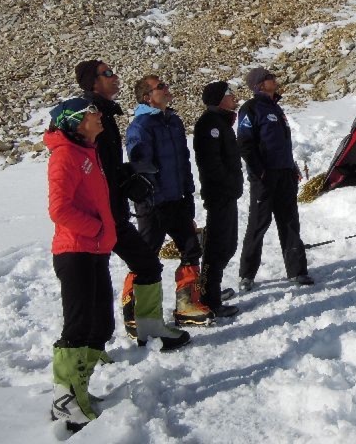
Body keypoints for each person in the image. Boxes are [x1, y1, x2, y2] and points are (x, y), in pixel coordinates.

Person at [75, 60, 189, 350]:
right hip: (99, 216)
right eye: (108, 73)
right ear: (93, 81)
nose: (115, 77)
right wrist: (131, 179)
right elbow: (87, 167)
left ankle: (149, 327)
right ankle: (88, 354)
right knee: (94, 289)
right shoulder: (88, 115)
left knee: (147, 263)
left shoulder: (106, 116)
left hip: (115, 211)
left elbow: (108, 166)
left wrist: (126, 176)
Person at [46, 98, 115, 431]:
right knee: (78, 326)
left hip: (94, 250)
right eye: (92, 112)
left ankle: (79, 391)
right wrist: (97, 229)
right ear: (75, 121)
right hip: (75, 251)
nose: (99, 115)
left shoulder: (87, 152)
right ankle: (64, 403)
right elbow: (59, 210)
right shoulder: (65, 156)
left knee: (98, 324)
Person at [126, 76, 214, 326]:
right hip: (153, 204)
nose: (167, 89)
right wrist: (152, 197)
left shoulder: (172, 121)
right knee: (145, 256)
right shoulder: (141, 126)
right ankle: (134, 310)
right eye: (160, 87)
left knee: (191, 248)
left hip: (176, 199)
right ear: (147, 97)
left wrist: (188, 193)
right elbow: (140, 166)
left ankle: (187, 304)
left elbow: (183, 162)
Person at [237, 67, 313, 291]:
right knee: (258, 224)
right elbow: (245, 143)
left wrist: (292, 167)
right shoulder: (250, 108)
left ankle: (297, 271)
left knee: (289, 221)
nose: (275, 79)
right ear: (260, 84)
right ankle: (247, 275)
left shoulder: (276, 108)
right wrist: (260, 171)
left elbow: (282, 144)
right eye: (269, 77)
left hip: (284, 174)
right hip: (264, 177)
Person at [193, 81, 243, 317]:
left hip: (227, 193)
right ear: (218, 99)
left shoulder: (221, 123)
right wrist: (226, 184)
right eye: (229, 94)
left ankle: (212, 289)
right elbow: (212, 163)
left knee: (228, 244)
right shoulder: (210, 124)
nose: (234, 97)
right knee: (217, 246)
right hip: (219, 195)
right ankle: (209, 297)